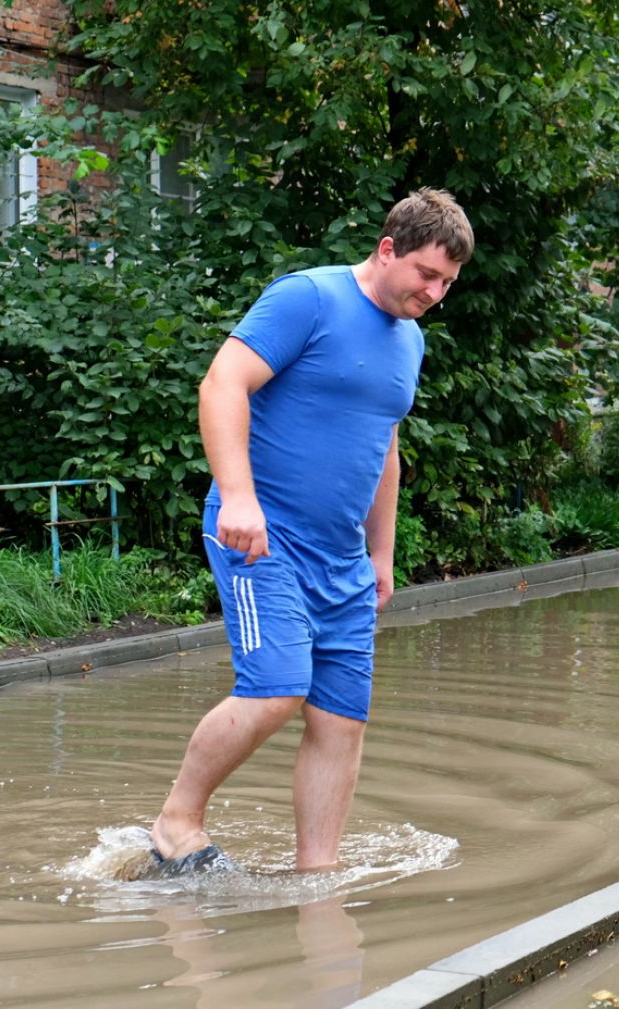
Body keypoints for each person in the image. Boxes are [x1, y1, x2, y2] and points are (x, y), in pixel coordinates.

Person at [145, 188, 473, 876]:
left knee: (339, 719)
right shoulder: (309, 298)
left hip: (344, 560)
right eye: (426, 274)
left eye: (447, 281)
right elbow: (221, 383)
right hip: (260, 538)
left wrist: (382, 551)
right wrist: (238, 497)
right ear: (388, 249)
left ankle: (316, 876)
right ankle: (177, 821)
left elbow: (385, 446)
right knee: (276, 686)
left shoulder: (409, 338)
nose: (435, 292)